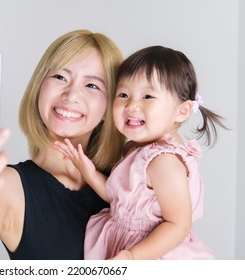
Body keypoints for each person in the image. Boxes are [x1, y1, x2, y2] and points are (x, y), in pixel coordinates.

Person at [0, 29, 125, 259]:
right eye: (61, 77)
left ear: (109, 106)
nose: (71, 95)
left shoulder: (127, 179)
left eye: (92, 85)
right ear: (39, 86)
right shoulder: (7, 187)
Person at [54, 45, 227, 260]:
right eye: (124, 94)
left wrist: (131, 257)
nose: (132, 105)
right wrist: (88, 172)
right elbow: (120, 200)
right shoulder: (139, 150)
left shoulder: (164, 161)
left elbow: (179, 225)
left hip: (152, 253)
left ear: (181, 111)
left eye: (147, 97)